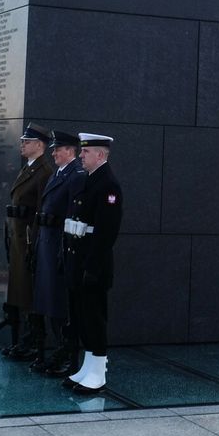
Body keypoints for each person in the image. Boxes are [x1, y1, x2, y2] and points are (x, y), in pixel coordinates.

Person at [62, 133, 123, 394]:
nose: (82, 156)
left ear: (100, 154)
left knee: (94, 318)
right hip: (79, 259)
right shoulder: (89, 180)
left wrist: (92, 267)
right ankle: (88, 368)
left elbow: (106, 233)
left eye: (86, 152)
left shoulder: (108, 185)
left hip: (92, 264)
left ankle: (98, 372)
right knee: (81, 317)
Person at [1, 123, 54, 361]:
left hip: (28, 239)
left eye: (27, 141)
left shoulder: (43, 172)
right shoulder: (29, 168)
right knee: (20, 288)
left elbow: (42, 210)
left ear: (39, 145)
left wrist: (33, 243)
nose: (22, 144)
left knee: (28, 289)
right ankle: (24, 337)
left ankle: (33, 339)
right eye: (23, 141)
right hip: (17, 237)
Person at [36, 130, 87, 376]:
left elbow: (72, 216)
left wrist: (63, 252)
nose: (53, 152)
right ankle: (59, 349)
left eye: (58, 149)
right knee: (50, 301)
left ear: (71, 151)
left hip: (59, 244)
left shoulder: (76, 176)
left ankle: (68, 354)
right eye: (54, 149)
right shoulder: (59, 173)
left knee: (61, 303)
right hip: (47, 242)